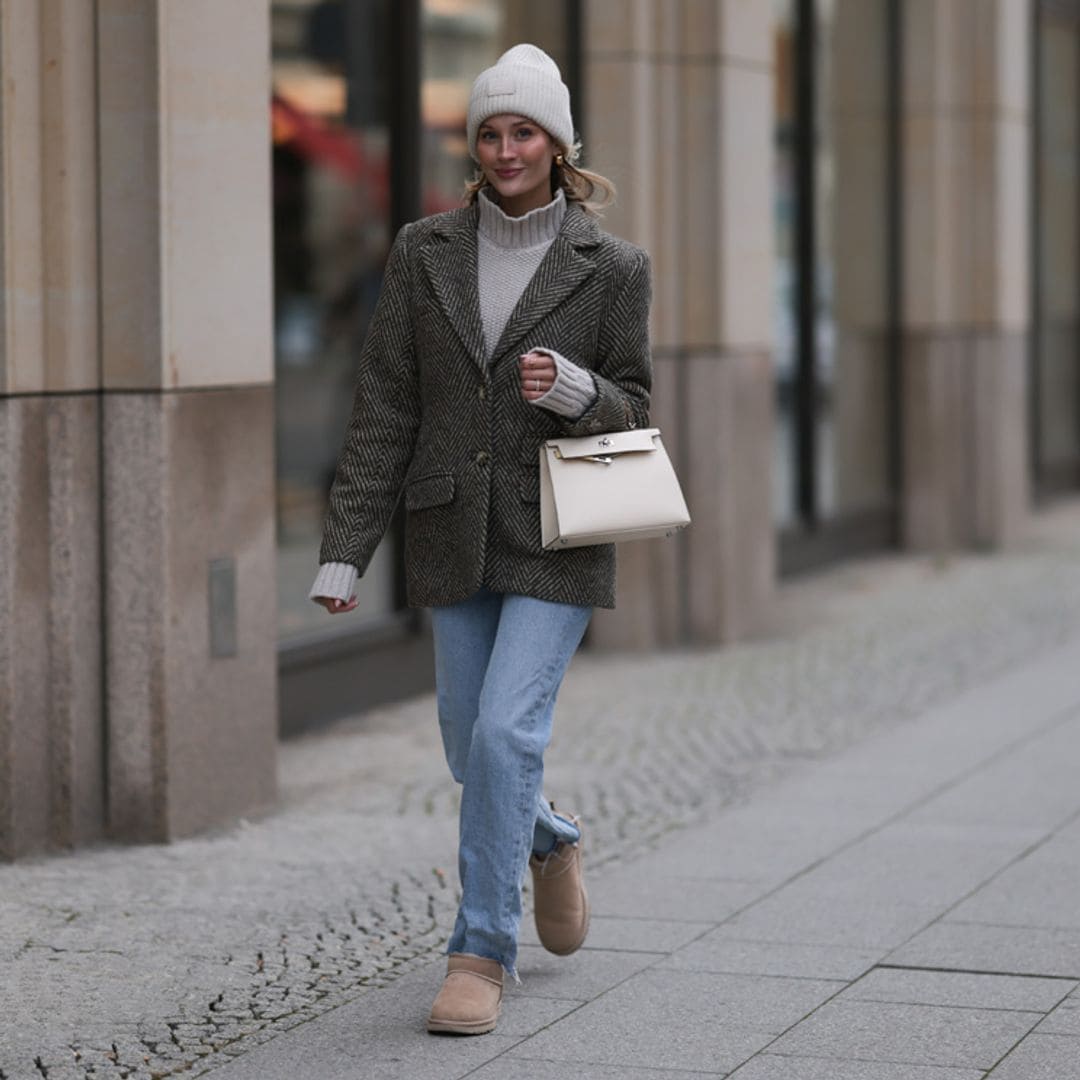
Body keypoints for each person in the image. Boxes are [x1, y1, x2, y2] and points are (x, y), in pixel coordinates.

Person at [308, 43, 652, 1036]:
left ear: (557, 143)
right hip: (450, 529)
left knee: (506, 734)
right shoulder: (423, 250)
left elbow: (635, 407)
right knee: (471, 746)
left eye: (525, 131)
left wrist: (580, 390)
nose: (507, 149)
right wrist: (345, 549)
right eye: (491, 132)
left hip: (558, 532)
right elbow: (385, 404)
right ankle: (549, 839)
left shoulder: (612, 266)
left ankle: (480, 951)